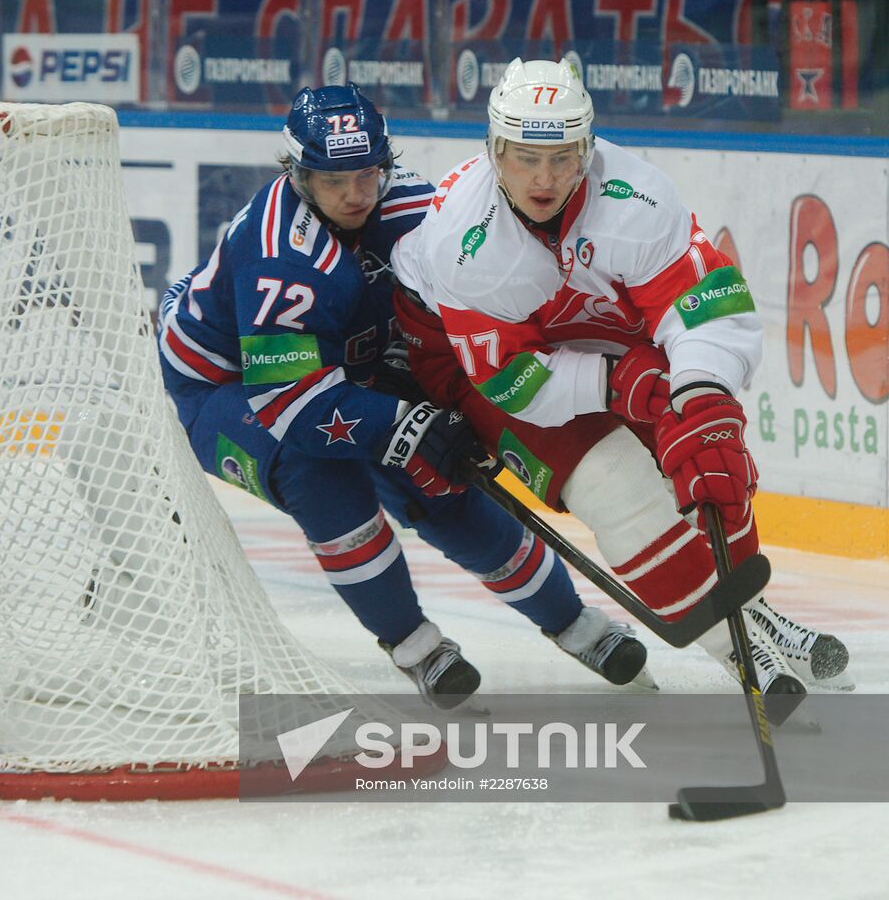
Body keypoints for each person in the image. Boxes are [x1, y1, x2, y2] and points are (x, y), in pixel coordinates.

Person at [157, 82, 653, 709]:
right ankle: (414, 644)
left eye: (368, 173)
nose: (355, 194)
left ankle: (573, 623)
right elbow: (289, 405)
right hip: (227, 383)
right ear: (295, 171)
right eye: (332, 179)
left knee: (443, 480)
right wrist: (405, 419)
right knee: (323, 477)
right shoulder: (282, 257)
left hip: (352, 364)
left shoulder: (416, 207)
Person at [388, 58, 850, 718]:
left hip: (590, 328)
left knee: (707, 455)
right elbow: (514, 378)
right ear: (494, 152)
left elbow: (704, 303)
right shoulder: (463, 244)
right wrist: (613, 381)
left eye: (562, 156)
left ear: (588, 147)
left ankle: (756, 615)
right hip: (481, 364)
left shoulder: (637, 196)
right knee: (613, 485)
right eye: (524, 158)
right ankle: (738, 646)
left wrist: (703, 394)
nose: (544, 178)